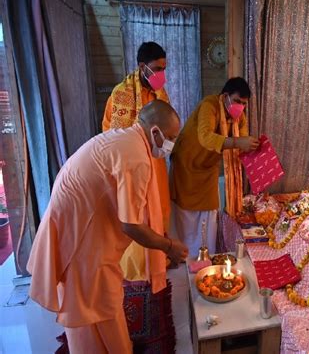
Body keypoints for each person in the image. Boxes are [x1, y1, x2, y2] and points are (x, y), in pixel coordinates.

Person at [27, 101, 189, 354]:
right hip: (80, 238)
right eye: (170, 138)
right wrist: (169, 246)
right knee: (97, 304)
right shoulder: (136, 157)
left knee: (98, 302)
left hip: (77, 225)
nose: (170, 145)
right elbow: (131, 225)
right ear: (155, 131)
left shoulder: (126, 138)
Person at [102, 41, 173, 282]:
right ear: (142, 67)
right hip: (131, 168)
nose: (161, 74)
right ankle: (135, 274)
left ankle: (157, 263)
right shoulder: (120, 94)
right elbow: (111, 136)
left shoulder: (160, 92)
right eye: (157, 68)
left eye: (164, 68)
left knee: (159, 212)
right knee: (136, 216)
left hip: (157, 166)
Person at [170, 77, 259, 257]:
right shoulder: (209, 105)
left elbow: (241, 146)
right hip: (186, 165)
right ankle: (183, 257)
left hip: (208, 169)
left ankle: (205, 256)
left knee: (209, 215)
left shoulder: (239, 117)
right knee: (185, 215)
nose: (240, 107)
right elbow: (206, 137)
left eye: (243, 104)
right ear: (225, 96)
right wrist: (238, 142)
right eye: (236, 101)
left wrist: (254, 152)